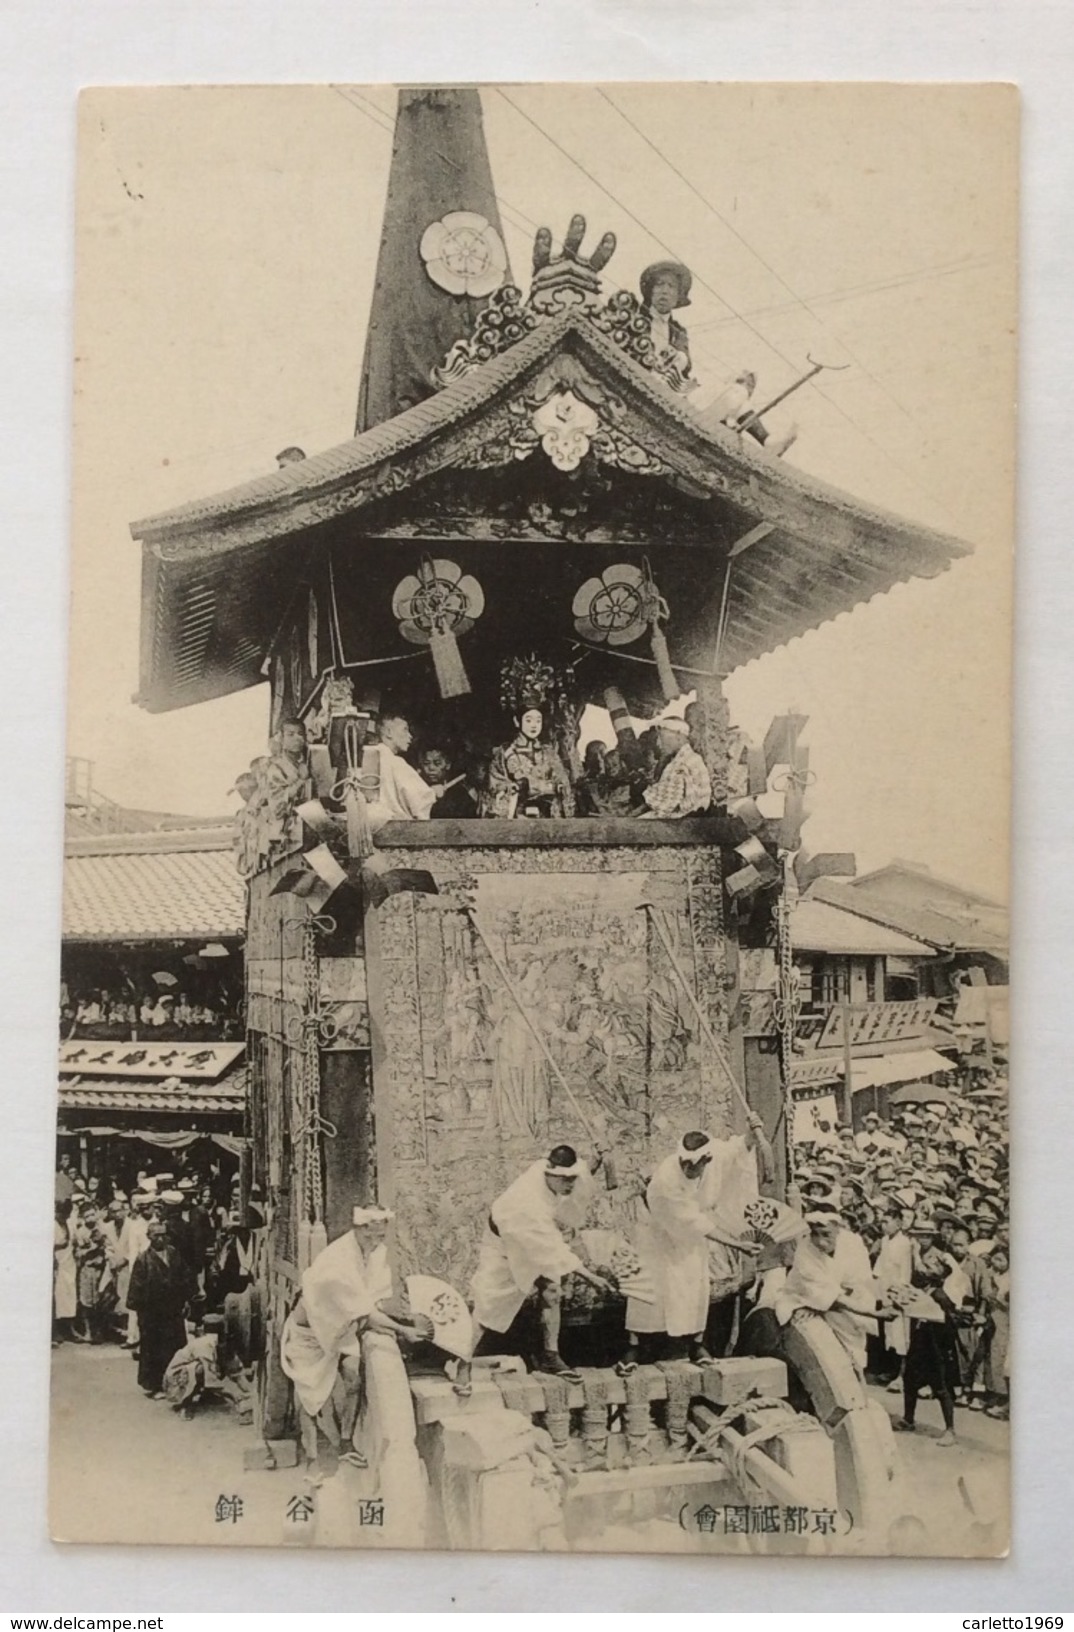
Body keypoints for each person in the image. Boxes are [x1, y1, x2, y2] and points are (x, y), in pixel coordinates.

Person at [280, 1205, 433, 1472]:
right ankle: (314, 1458)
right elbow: (366, 1311)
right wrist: (404, 1330)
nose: (375, 1243)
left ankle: (346, 1443)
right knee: (311, 1395)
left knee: (353, 1378)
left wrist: (403, 1313)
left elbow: (372, 1299)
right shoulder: (338, 1260)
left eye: (380, 1237)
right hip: (311, 1333)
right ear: (357, 1229)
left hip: (341, 1325)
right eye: (369, 1237)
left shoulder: (375, 1252)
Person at [456, 1147, 611, 1396]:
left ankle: (551, 1355)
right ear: (548, 1174)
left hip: (535, 1238)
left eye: (572, 1178)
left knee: (552, 1291)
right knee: (487, 1305)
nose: (570, 1184)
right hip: (505, 1244)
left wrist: (595, 1162)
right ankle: (462, 1364)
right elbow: (551, 1248)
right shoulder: (526, 1202)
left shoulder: (555, 1174)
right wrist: (590, 1276)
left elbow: (581, 1173)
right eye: (564, 1179)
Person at [641, 1130, 763, 1364]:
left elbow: (737, 1149)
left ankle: (696, 1344)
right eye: (684, 1163)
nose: (688, 1169)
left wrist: (751, 1133)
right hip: (665, 1234)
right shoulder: (667, 1179)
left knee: (697, 1287)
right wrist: (737, 1244)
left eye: (694, 1164)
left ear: (707, 1160)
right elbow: (694, 1223)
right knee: (669, 1289)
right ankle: (663, 1348)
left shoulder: (715, 1154)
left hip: (693, 1237)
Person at [773, 1210, 877, 1374]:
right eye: (815, 1234)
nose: (821, 1242)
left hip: (849, 1300)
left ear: (838, 1228)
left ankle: (857, 1386)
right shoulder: (804, 1248)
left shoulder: (853, 1243)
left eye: (826, 1234)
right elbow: (815, 1288)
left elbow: (859, 1280)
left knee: (854, 1354)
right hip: (804, 1297)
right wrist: (816, 1304)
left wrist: (872, 1312)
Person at [892, 1236, 966, 1447]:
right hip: (920, 1337)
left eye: (933, 1265)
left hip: (938, 1341)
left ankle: (950, 1429)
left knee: (941, 1383)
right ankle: (908, 1419)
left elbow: (948, 1317)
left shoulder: (944, 1294)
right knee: (910, 1378)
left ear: (942, 1273)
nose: (926, 1268)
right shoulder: (919, 1289)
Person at [126, 1220, 192, 1398]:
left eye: (164, 1234)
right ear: (149, 1237)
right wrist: (143, 1313)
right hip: (152, 1314)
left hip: (173, 1311)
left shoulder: (173, 1253)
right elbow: (136, 1290)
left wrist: (186, 1300)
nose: (161, 1238)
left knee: (176, 1347)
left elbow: (185, 1277)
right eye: (157, 1235)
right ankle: (154, 1386)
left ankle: (177, 1383)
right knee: (154, 1349)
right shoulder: (143, 1259)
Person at [486, 700, 574, 819]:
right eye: (528, 720)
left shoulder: (549, 752)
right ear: (517, 721)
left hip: (547, 815)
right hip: (517, 815)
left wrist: (556, 786)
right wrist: (514, 788)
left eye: (538, 721)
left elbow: (562, 780)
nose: (534, 725)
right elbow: (496, 783)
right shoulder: (505, 753)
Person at [365, 712, 439, 826]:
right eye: (405, 730)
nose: (410, 736)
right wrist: (434, 792)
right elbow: (419, 801)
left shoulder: (367, 755)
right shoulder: (396, 762)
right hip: (394, 828)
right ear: (389, 732)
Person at [871, 1207, 914, 1390]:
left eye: (887, 1222)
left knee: (902, 1336)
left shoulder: (905, 1243)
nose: (884, 1226)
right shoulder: (884, 1241)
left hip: (899, 1293)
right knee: (889, 1336)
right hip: (885, 1292)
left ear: (898, 1223)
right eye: (882, 1222)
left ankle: (903, 1376)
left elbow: (906, 1272)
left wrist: (900, 1292)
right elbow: (878, 1270)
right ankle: (892, 1370)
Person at [637, 716, 712, 819]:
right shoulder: (686, 758)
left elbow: (666, 806)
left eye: (662, 738)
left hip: (680, 820)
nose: (659, 744)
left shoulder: (683, 762)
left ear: (679, 736)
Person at [638, 260, 693, 377]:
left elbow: (686, 365)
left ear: (678, 296)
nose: (665, 291)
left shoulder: (678, 333)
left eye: (671, 286)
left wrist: (680, 358)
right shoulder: (635, 317)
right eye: (659, 284)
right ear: (651, 290)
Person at [418, 746, 479, 819]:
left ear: (448, 765)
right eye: (426, 763)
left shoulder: (459, 794)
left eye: (437, 763)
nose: (431, 768)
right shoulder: (415, 789)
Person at [53, 1199, 78, 1343]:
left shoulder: (70, 1223)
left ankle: (69, 1329)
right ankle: (56, 1330)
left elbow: (74, 1241)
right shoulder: (52, 1225)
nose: (64, 1217)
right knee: (57, 1296)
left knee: (70, 1296)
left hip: (69, 1263)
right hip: (57, 1263)